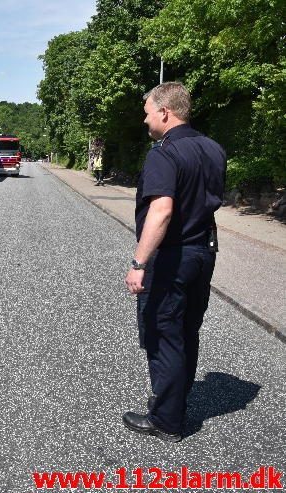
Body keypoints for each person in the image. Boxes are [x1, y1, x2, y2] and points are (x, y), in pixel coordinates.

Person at [122, 82, 226, 442]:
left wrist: (139, 262)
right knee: (186, 331)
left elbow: (162, 211)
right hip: (203, 253)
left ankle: (167, 420)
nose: (145, 118)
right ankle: (175, 402)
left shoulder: (163, 153)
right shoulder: (213, 148)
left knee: (163, 332)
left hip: (172, 257)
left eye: (148, 111)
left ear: (165, 112)